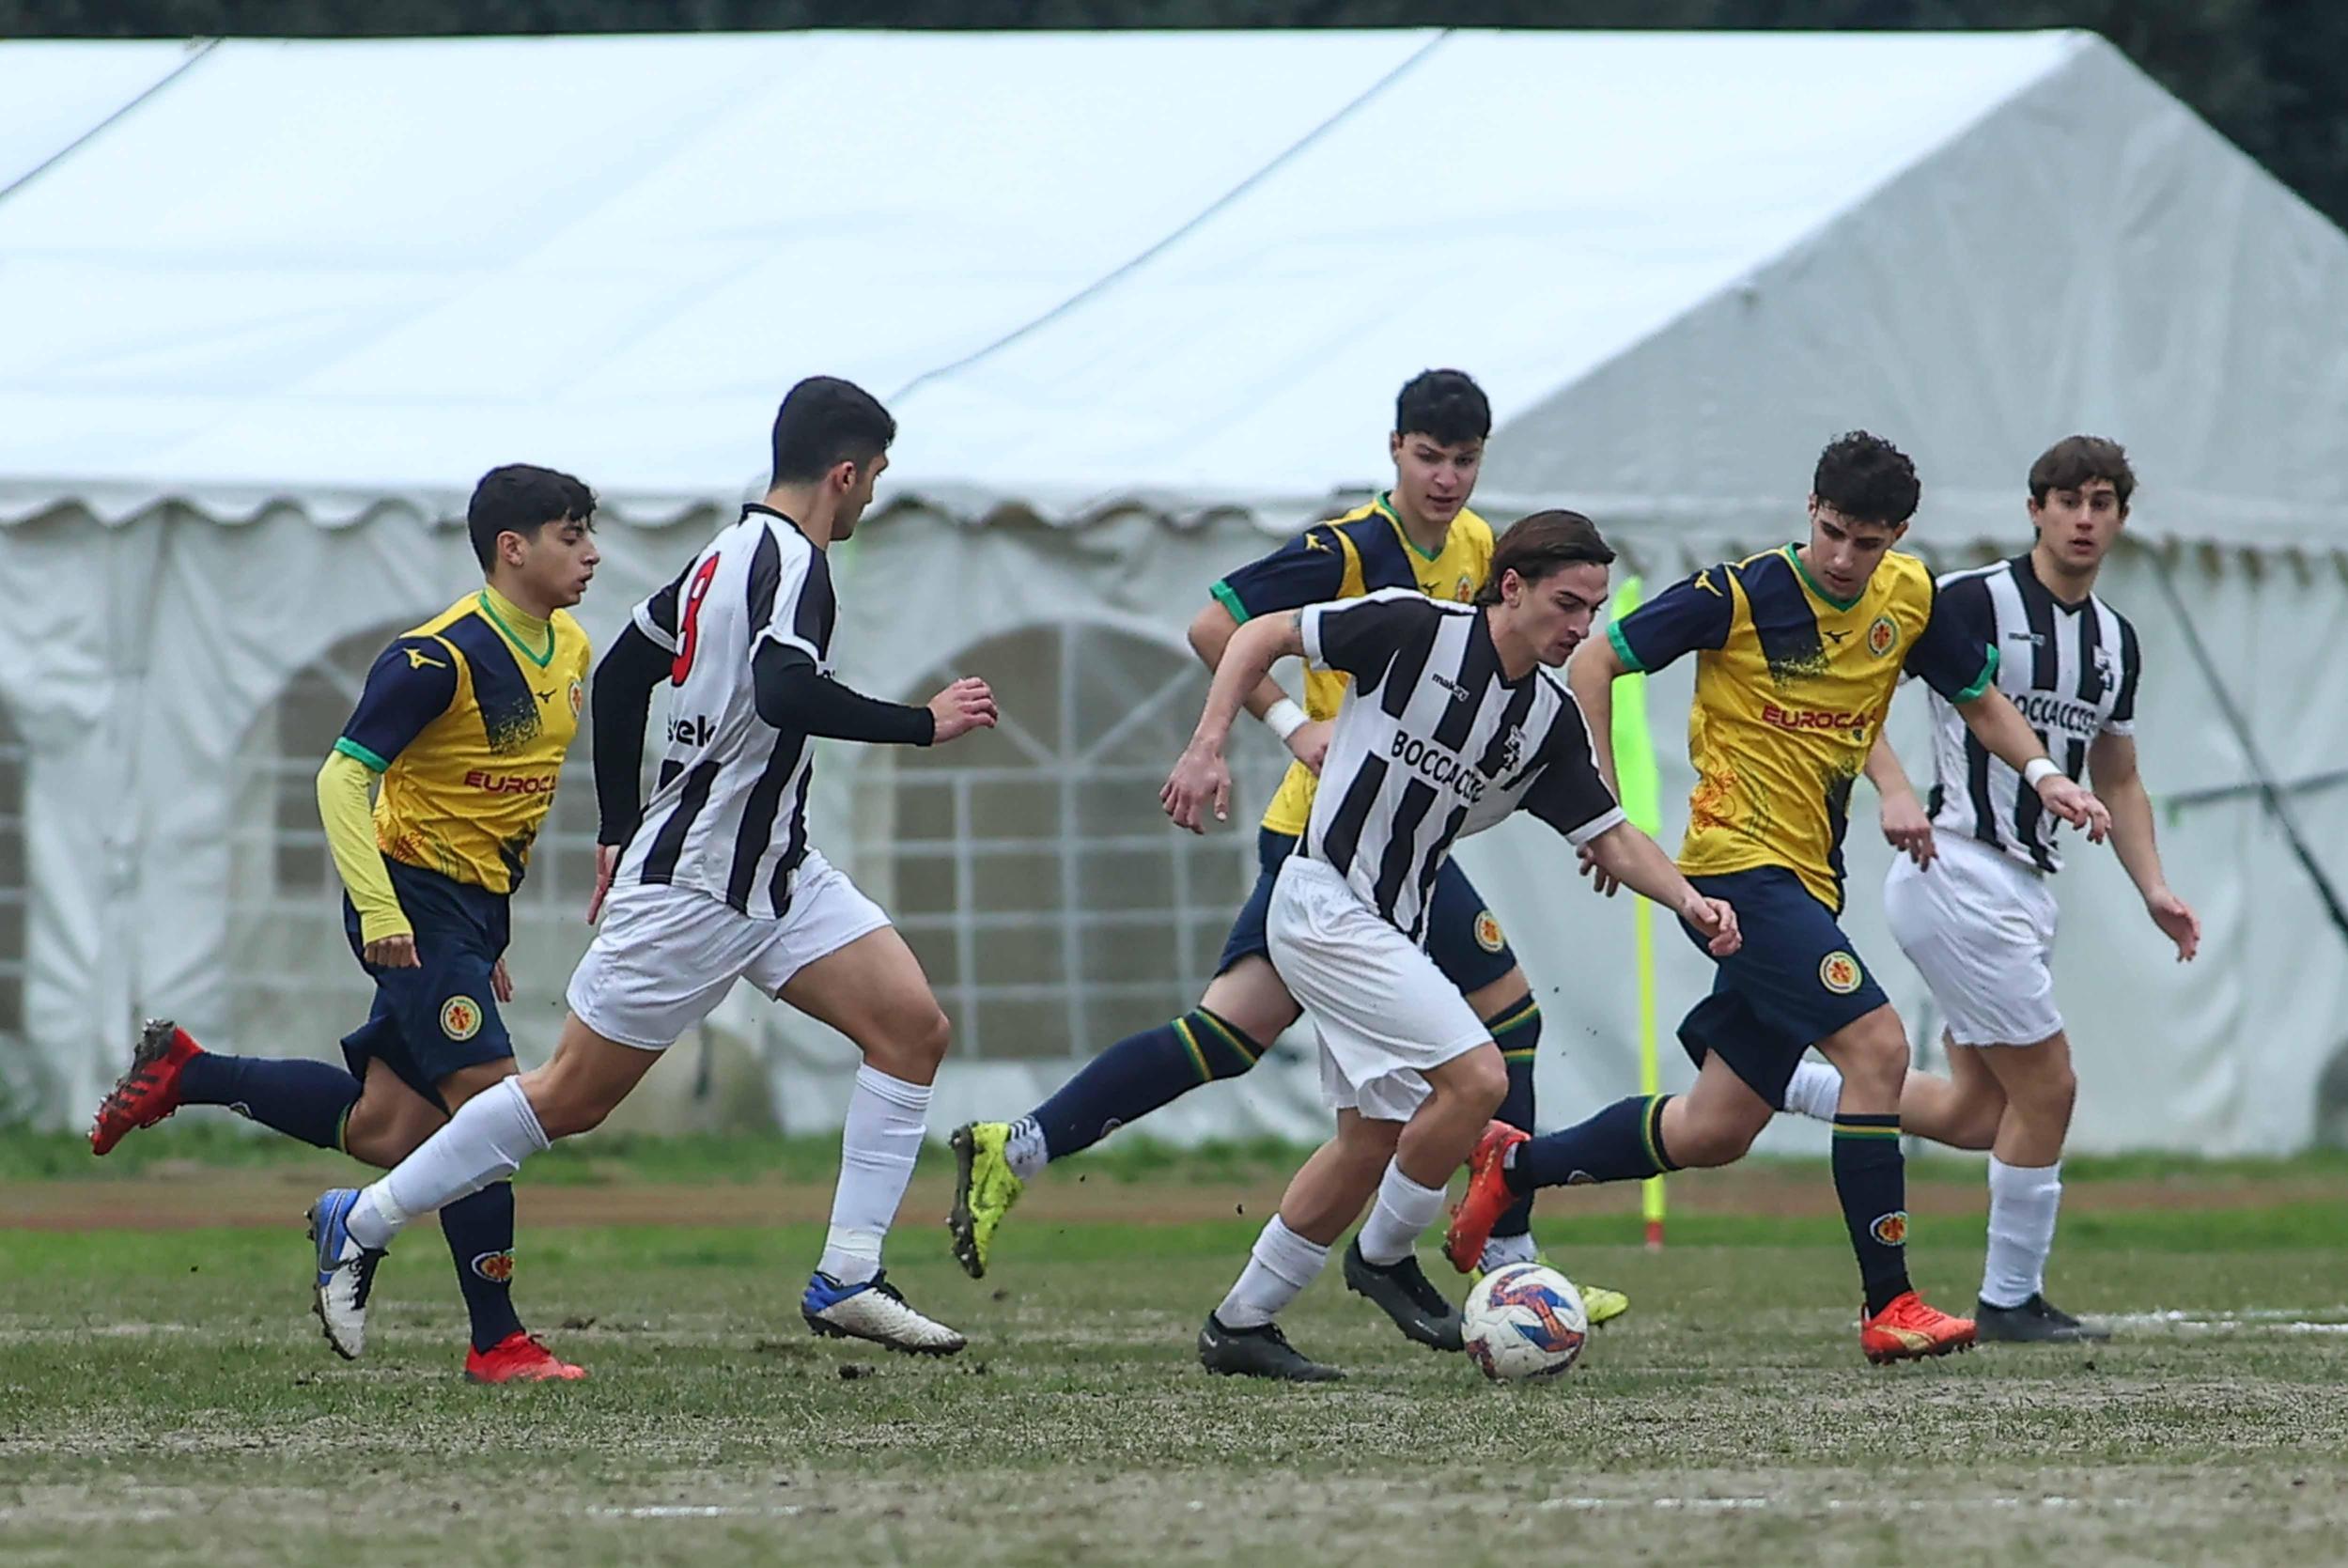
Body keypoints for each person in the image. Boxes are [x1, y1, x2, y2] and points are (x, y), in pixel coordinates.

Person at [302, 376, 998, 1360]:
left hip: (776, 872)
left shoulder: (724, 552)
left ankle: (848, 1272)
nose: (874, 496)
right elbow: (785, 688)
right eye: (875, 477)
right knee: (568, 1096)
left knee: (911, 1029)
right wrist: (921, 724)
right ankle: (360, 1221)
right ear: (845, 473)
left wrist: (618, 826)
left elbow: (626, 669)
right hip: (703, 879)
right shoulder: (795, 561)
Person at [948, 370, 1629, 1330]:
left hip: (1406, 832)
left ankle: (1018, 1144)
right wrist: (1278, 724)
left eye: (1463, 459)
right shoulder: (1350, 546)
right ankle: (1502, 1264)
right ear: (1393, 449)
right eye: (1427, 456)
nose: (1445, 478)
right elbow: (1215, 624)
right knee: (1501, 1029)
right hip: (1338, 828)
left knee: (1229, 1036)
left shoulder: (1483, 550)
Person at [1446, 432, 2115, 1365]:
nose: (1845, 559)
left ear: (1899, 536)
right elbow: (1595, 661)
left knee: (1713, 1128)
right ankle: (1891, 1303)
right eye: (1834, 532)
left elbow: (1976, 694)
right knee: (1878, 1044)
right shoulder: (1739, 593)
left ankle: (1512, 1161)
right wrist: (1602, 809)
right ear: (1811, 510)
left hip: (1810, 880)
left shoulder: (1910, 598)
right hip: (1736, 866)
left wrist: (2042, 772)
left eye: (1867, 542)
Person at [1162, 511, 1737, 1380]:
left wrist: (1691, 902)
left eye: (1591, 609)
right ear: (1511, 587)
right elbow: (1258, 633)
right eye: (1566, 603)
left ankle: (1241, 1320)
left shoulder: (1543, 722)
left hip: (1388, 921)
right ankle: (1385, 1256)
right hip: (1323, 900)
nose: (1580, 627)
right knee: (1477, 1076)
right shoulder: (1409, 625)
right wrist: (1212, 744)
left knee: (1371, 1138)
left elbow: (1610, 834)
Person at [89, 464, 600, 1383]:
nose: (592, 552)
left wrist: (497, 931)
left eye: (590, 532)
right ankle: (498, 1341)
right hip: (410, 899)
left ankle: (188, 1070)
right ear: (512, 548)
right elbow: (340, 776)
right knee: (491, 1109)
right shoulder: (436, 656)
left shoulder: (570, 652)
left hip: (469, 912)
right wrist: (379, 909)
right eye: (572, 535)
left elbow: (504, 799)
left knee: (387, 1130)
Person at [1778, 435, 2199, 1343]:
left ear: (2121, 516)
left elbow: (2118, 777)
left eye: (2101, 502)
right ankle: (2009, 1299)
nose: (2083, 518)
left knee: (1980, 1113)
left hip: (2020, 885)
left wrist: (2152, 888)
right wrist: (1892, 789)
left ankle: (1794, 1081)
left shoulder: (2112, 643)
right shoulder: (1969, 600)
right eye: (2067, 500)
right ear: (2034, 508)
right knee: (2050, 1086)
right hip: (1956, 865)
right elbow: (1855, 695)